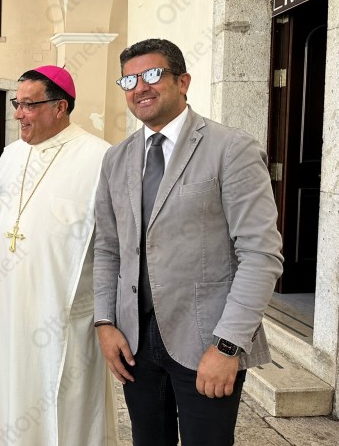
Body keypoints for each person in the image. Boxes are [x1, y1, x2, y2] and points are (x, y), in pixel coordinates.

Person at [93, 38, 284, 445]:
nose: (140, 87)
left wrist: (227, 346)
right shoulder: (117, 158)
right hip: (135, 341)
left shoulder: (231, 148)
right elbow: (108, 248)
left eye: (151, 74)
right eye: (129, 80)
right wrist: (105, 323)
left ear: (183, 82)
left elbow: (260, 254)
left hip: (206, 341)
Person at [0, 66, 116, 445]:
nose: (18, 114)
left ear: (60, 106)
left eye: (29, 105)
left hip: (63, 319)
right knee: (7, 399)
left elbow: (112, 246)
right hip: (7, 310)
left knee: (63, 411)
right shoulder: (10, 155)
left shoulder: (99, 156)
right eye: (16, 104)